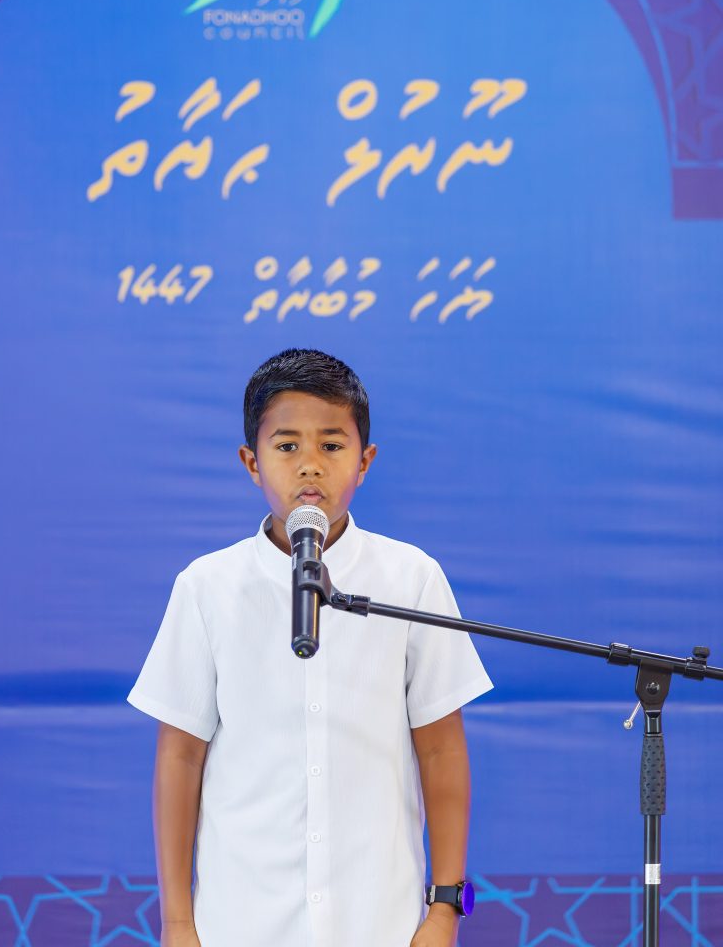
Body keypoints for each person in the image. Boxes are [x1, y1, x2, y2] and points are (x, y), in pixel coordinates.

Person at [128, 348, 492, 947]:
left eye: (332, 445)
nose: (310, 466)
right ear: (251, 462)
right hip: (241, 924)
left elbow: (441, 750)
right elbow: (180, 759)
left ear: (365, 461)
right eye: (287, 445)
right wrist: (177, 923)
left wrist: (444, 911)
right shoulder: (207, 587)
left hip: (379, 922)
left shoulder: (411, 579)